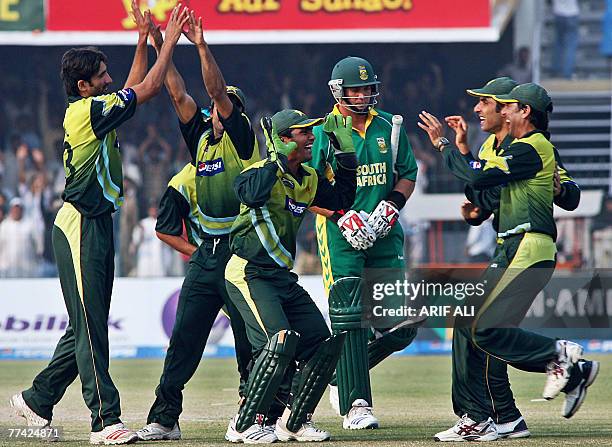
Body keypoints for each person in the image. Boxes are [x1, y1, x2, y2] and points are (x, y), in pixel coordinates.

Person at [9, 3, 188, 444]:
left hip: (97, 224)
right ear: (83, 85)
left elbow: (130, 87)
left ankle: (37, 399)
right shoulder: (83, 113)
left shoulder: (97, 107)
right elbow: (144, 89)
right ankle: (105, 421)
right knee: (91, 326)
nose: (109, 81)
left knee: (88, 323)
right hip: (80, 225)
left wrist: (142, 39)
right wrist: (168, 42)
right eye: (101, 77)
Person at [418, 82, 599, 442]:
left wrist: (444, 146)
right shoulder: (493, 147)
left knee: (484, 328)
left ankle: (560, 357)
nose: (478, 109)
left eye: (486, 101)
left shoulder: (535, 147)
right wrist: (476, 211)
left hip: (529, 247)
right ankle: (496, 417)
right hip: (508, 246)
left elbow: (568, 194)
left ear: (512, 110)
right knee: (471, 324)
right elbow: (487, 194)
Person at [136, 12, 260, 442]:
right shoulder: (201, 138)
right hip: (209, 256)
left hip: (243, 254)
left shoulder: (242, 137)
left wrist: (202, 47)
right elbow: (175, 91)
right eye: (214, 109)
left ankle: (253, 412)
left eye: (223, 106)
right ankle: (165, 418)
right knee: (184, 341)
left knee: (249, 338)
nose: (214, 111)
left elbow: (212, 89)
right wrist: (160, 44)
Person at [224, 109, 357, 442]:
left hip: (281, 277)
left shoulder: (309, 177)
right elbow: (250, 195)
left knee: (320, 344)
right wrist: (275, 161)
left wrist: (346, 157)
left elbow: (342, 202)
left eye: (312, 132)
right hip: (249, 273)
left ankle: (294, 421)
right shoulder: (257, 172)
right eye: (303, 133)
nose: (312, 137)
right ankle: (245, 423)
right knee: (277, 344)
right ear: (283, 140)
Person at [308, 56, 419, 430]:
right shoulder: (322, 131)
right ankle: (357, 403)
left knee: (401, 327)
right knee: (350, 320)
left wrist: (393, 204)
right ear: (338, 92)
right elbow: (306, 187)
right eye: (356, 89)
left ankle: (337, 376)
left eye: (368, 87)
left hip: (385, 234)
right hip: (340, 236)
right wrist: (341, 215)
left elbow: (407, 174)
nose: (364, 94)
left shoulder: (390, 126)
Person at [551, 0, 580, 79]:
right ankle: (567, 72)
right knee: (571, 45)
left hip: (558, 12)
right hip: (572, 12)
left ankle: (555, 69)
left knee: (558, 44)